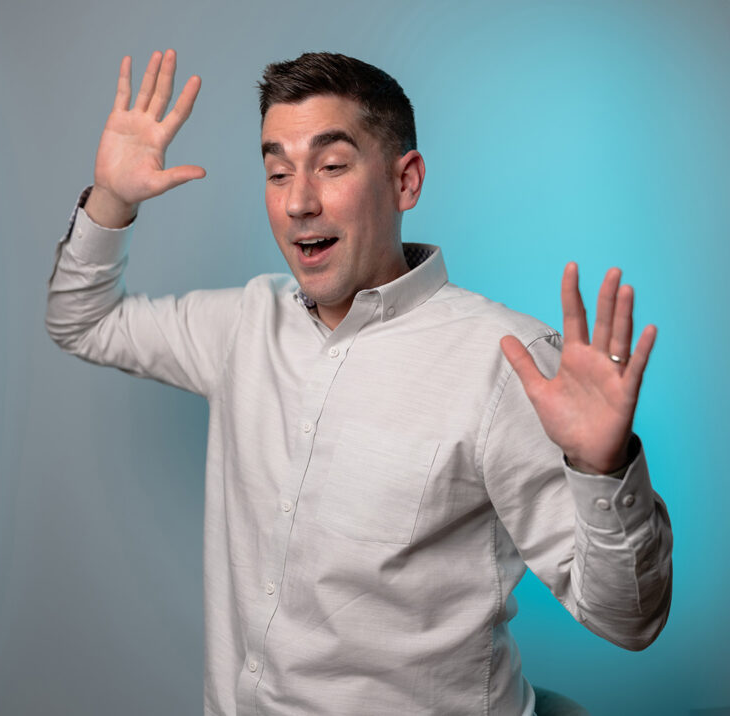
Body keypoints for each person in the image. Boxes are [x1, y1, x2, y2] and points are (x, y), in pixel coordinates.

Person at [46, 49, 672, 716]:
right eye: (277, 171)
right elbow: (82, 321)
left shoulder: (505, 363)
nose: (298, 201)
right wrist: (111, 199)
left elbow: (627, 621)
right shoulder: (243, 325)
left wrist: (601, 467)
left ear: (405, 182)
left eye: (332, 166)